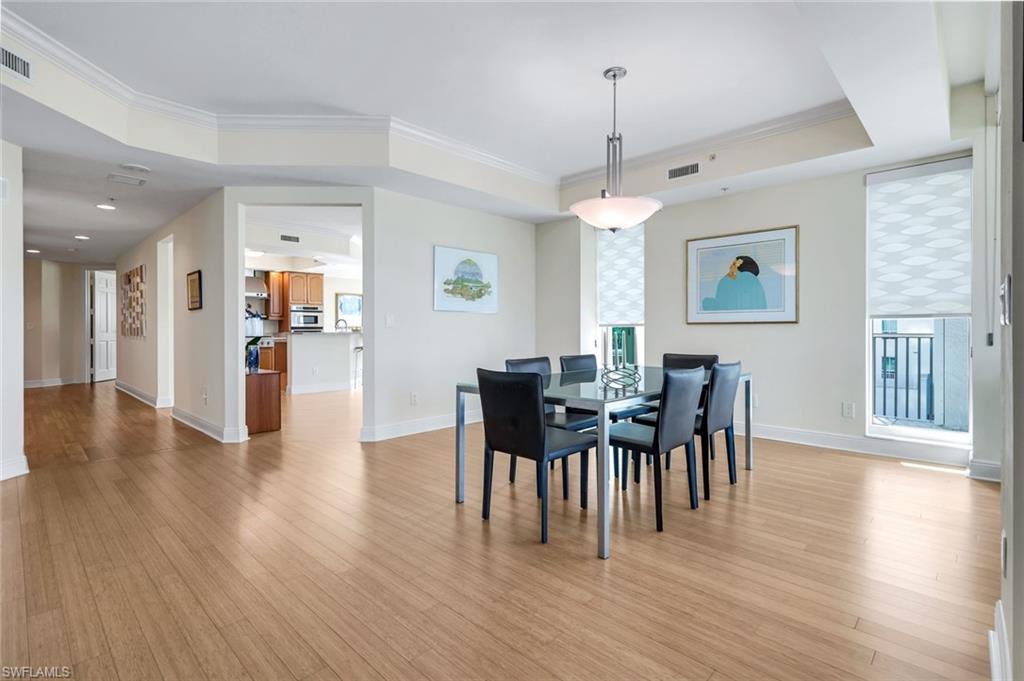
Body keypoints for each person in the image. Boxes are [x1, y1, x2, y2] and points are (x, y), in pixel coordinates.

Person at [702, 255, 767, 311]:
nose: (730, 266)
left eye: (734, 264)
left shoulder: (730, 281)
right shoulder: (754, 285)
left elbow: (722, 306)